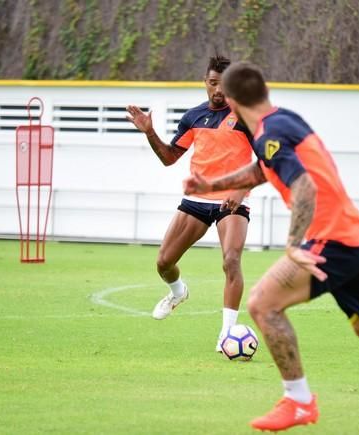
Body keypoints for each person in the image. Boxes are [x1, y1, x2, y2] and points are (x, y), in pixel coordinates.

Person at [183, 62, 359, 434]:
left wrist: (294, 244)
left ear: (231, 103)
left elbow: (304, 188)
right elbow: (262, 170)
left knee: (263, 305)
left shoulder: (269, 134)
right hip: (357, 236)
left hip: (332, 239)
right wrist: (212, 182)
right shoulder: (284, 121)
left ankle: (298, 401)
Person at [125, 55, 253, 352]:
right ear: (205, 83)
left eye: (223, 84)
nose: (217, 89)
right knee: (163, 262)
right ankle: (178, 292)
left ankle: (227, 335)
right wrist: (150, 132)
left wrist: (243, 188)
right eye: (212, 83)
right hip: (196, 199)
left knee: (231, 261)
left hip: (231, 201)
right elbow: (170, 158)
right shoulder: (193, 117)